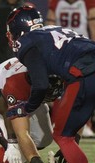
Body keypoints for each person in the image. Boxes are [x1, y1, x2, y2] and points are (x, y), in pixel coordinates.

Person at [6, 5, 95, 163]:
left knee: (62, 136)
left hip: (84, 73)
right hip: (88, 65)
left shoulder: (26, 42)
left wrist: (27, 108)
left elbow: (40, 85)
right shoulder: (53, 29)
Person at [46, 0, 95, 138]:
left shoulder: (87, 2)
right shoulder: (56, 2)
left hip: (76, 50)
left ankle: (83, 124)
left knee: (80, 87)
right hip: (68, 49)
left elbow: (93, 24)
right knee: (58, 86)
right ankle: (58, 122)